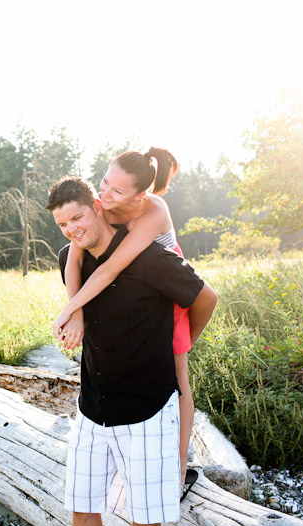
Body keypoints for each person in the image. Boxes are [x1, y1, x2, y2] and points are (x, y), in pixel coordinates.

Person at [46, 176, 217, 526]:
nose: (71, 230)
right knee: (82, 508)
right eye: (62, 224)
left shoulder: (150, 257)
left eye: (77, 218)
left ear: (97, 206)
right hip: (92, 408)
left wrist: (177, 344)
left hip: (147, 409)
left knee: (145, 517)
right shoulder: (69, 260)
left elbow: (206, 298)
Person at [53, 148, 196, 489]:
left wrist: (70, 311)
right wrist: (77, 313)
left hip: (166, 294)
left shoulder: (153, 210)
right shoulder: (106, 206)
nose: (105, 194)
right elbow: (74, 257)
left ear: (140, 194)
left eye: (117, 191)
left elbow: (112, 266)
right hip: (129, 291)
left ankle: (178, 467)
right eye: (104, 183)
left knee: (177, 380)